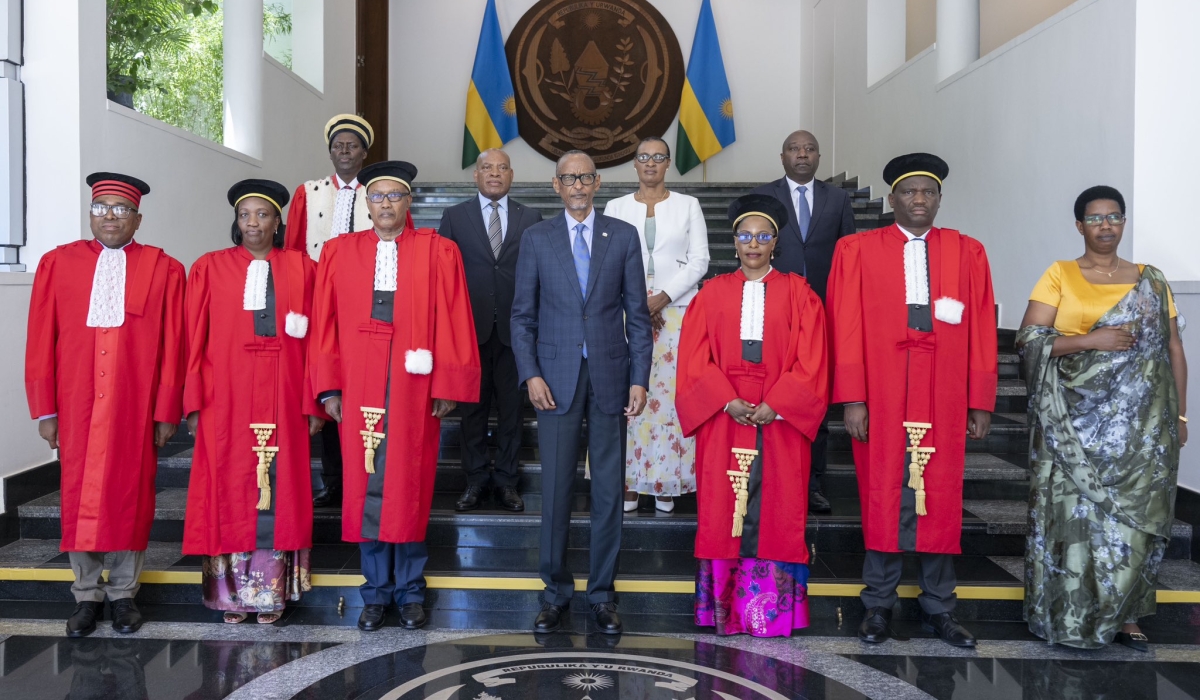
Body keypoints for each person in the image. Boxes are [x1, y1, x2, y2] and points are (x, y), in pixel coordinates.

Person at [826, 153, 998, 648]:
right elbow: (846, 326)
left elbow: (983, 326)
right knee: (882, 490)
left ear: (940, 199)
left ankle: (939, 605)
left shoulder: (968, 252)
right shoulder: (856, 250)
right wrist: (852, 397)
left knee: (939, 493)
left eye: (928, 192)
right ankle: (878, 602)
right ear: (892, 200)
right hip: (881, 387)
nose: (919, 199)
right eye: (909, 192)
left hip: (943, 389)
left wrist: (980, 399)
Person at [312, 160, 481, 632]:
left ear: (409, 203)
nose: (386, 204)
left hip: (412, 388)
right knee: (365, 485)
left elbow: (454, 317)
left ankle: (409, 591)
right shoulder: (338, 252)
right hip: (358, 381)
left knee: (409, 486)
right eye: (378, 196)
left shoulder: (438, 251)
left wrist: (447, 384)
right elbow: (323, 322)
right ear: (366, 204)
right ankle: (374, 592)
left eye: (395, 196)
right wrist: (328, 387)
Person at [1018, 185, 1187, 651]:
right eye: (1095, 218)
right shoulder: (1060, 274)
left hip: (1144, 430)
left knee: (1135, 525)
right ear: (1079, 225)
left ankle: (1126, 617)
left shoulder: (1151, 279)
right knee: (1077, 522)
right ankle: (1069, 614)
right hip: (1073, 425)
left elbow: (1173, 347)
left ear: (1124, 222)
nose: (1106, 225)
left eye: (1114, 216)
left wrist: (1182, 414)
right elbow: (1031, 340)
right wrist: (1091, 341)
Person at [25, 172, 186, 638]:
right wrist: (45, 409)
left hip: (133, 405)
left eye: (120, 210)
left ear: (138, 219)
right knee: (78, 496)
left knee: (130, 496)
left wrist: (165, 410)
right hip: (75, 404)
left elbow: (173, 344)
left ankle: (123, 596)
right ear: (90, 214)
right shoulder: (58, 264)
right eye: (101, 209)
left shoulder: (164, 268)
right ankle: (85, 596)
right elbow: (40, 340)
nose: (109, 217)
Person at [511, 150, 653, 634]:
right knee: (555, 489)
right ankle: (554, 593)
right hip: (553, 379)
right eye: (568, 178)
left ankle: (602, 594)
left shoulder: (624, 237)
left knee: (609, 491)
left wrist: (640, 376)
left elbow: (637, 313)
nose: (577, 186)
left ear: (596, 184)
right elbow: (522, 315)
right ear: (556, 186)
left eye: (585, 178)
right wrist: (530, 373)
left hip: (612, 376)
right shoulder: (536, 238)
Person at [677, 194, 828, 636]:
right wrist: (726, 400)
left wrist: (777, 404)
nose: (754, 244)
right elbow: (693, 358)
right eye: (746, 236)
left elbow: (812, 359)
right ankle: (724, 610)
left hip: (779, 421)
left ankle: (771, 615)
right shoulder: (712, 293)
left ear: (776, 242)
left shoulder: (800, 294)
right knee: (724, 509)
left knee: (780, 509)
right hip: (726, 418)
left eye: (763, 236)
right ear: (735, 241)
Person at [182, 179, 321, 625]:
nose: (253, 223)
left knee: (283, 491)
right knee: (228, 488)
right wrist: (193, 401)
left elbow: (320, 340)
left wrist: (316, 402)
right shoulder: (209, 267)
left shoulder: (304, 267)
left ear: (278, 221)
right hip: (227, 395)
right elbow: (193, 339)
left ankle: (272, 592)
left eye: (263, 215)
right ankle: (230, 596)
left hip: (285, 393)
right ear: (236, 221)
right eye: (246, 215)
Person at [753, 130, 856, 515]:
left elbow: (849, 255)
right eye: (795, 149)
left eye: (809, 149)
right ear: (782, 157)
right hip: (777, 311)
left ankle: (812, 485)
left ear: (818, 157)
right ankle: (774, 480)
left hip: (825, 314)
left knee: (815, 400)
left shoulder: (838, 198)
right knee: (775, 393)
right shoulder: (765, 196)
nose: (802, 155)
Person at [604, 136, 709, 514]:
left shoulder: (688, 205)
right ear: (634, 164)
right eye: (643, 157)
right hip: (622, 314)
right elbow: (607, 261)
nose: (651, 163)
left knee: (667, 401)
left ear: (667, 164)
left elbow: (700, 261)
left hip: (677, 314)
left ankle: (666, 480)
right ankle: (629, 481)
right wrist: (636, 304)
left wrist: (661, 297)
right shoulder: (615, 206)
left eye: (658, 157)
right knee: (628, 397)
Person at [438, 148, 543, 513]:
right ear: (476, 175)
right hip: (469, 331)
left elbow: (541, 276)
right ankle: (475, 480)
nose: (494, 173)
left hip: (517, 333)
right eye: (487, 167)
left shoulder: (531, 217)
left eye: (502, 168)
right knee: (472, 411)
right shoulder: (454, 217)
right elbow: (442, 278)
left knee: (513, 411)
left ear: (511, 176)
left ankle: (508, 482)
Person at [285, 113, 376, 509]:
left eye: (351, 145)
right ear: (330, 151)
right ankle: (333, 479)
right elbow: (290, 252)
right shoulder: (309, 192)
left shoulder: (381, 192)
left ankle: (365, 472)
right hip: (317, 304)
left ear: (364, 153)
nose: (344, 150)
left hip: (363, 305)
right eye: (338, 145)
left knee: (359, 390)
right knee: (324, 388)